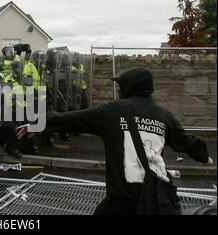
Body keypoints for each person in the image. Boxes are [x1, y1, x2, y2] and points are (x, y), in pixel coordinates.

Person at [17, 67, 213, 215]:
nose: (118, 89)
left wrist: (35, 125)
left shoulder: (112, 111)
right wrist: (205, 158)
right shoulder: (164, 115)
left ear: (129, 87)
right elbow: (186, 141)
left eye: (120, 86)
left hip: (123, 199)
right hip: (159, 198)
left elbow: (70, 119)